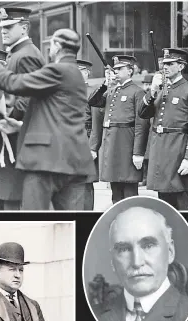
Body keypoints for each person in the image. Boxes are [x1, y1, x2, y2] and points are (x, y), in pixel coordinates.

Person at [0, 28, 96, 210]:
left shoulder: (58, 70)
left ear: (57, 46)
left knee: (35, 219)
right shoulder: (75, 75)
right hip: (74, 160)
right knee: (69, 224)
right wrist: (20, 126)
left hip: (47, 161)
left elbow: (14, 83)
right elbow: (56, 116)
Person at [93, 207, 188, 321]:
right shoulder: (96, 316)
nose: (137, 262)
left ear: (170, 252)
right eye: (123, 249)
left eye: (148, 246)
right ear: (112, 262)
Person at [0, 7, 45, 211]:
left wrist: (7, 114)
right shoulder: (17, 54)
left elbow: (32, 96)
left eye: (9, 27)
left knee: (17, 200)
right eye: (2, 27)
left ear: (24, 28)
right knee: (12, 197)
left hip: (20, 136)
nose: (3, 31)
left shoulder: (25, 56)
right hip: (16, 137)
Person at [138, 48, 188, 211]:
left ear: (181, 66)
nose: (165, 67)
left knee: (181, 199)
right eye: (164, 64)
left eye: (170, 64)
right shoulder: (160, 90)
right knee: (163, 202)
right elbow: (142, 113)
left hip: (178, 150)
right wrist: (153, 90)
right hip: (160, 151)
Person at [88, 55, 150, 204]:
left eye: (119, 69)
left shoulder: (137, 92)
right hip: (112, 146)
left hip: (127, 147)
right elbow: (93, 102)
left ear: (129, 71)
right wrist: (105, 84)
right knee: (115, 193)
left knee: (129, 193)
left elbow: (141, 124)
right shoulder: (111, 91)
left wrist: (138, 153)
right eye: (114, 69)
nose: (115, 71)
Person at [78, 59, 101, 210]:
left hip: (86, 139)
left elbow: (96, 123)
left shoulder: (93, 92)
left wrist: (93, 147)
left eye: (80, 71)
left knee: (86, 183)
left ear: (87, 73)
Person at [140, 74, 154, 187]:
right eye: (146, 84)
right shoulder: (142, 97)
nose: (147, 87)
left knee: (149, 155)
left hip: (151, 129)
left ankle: (147, 178)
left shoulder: (154, 95)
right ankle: (143, 177)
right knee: (142, 154)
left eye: (149, 84)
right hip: (142, 128)